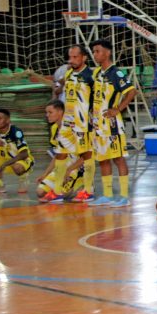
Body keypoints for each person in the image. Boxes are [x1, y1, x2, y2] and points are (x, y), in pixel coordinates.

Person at [87, 39, 136, 207]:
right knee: (102, 159)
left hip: (112, 124)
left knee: (118, 158)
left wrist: (118, 109)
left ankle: (123, 196)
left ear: (107, 53)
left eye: (98, 51)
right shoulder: (96, 74)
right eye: (93, 51)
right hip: (98, 125)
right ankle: (107, 195)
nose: (95, 54)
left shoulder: (117, 73)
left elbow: (131, 92)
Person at [57, 45, 96, 202]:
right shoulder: (68, 74)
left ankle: (88, 190)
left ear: (84, 57)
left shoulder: (91, 75)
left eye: (75, 57)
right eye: (70, 57)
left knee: (86, 155)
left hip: (84, 121)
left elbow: (98, 97)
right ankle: (58, 188)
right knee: (62, 152)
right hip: (69, 121)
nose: (71, 60)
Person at [36, 100, 85, 200]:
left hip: (77, 167)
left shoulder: (74, 128)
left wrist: (69, 169)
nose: (47, 115)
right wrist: (45, 174)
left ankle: (81, 182)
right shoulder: (54, 129)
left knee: (62, 195)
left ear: (60, 112)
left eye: (50, 112)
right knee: (40, 192)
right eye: (46, 113)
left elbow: (87, 156)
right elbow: (58, 156)